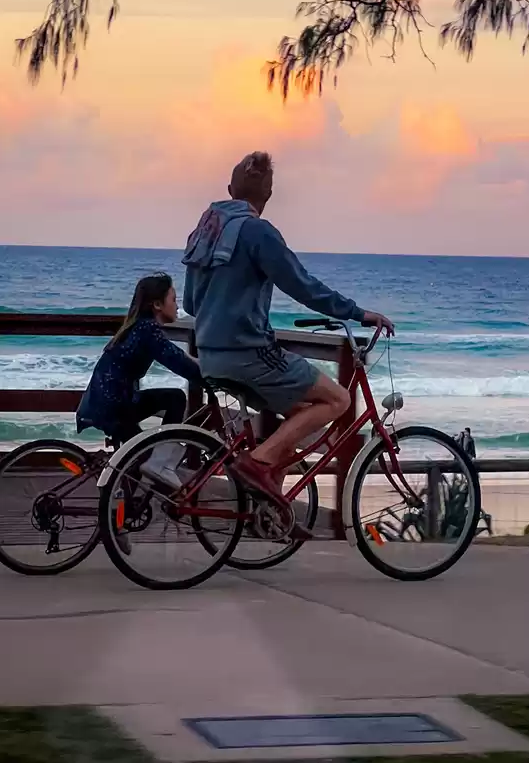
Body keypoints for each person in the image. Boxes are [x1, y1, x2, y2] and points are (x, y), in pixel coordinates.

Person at [183, 150, 394, 504]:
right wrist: (357, 313)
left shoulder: (206, 230)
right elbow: (302, 285)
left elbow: (190, 303)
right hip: (247, 352)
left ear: (230, 188)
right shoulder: (258, 233)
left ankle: (272, 504)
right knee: (338, 399)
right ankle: (259, 463)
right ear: (269, 195)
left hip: (209, 354)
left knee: (299, 417)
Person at [76, 272, 204, 490]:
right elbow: (179, 363)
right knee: (175, 399)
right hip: (116, 407)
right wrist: (212, 375)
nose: (177, 306)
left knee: (136, 462)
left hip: (105, 404)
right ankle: (161, 463)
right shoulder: (147, 329)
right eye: (173, 300)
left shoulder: (139, 326)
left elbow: (178, 356)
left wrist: (204, 365)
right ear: (157, 304)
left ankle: (127, 505)